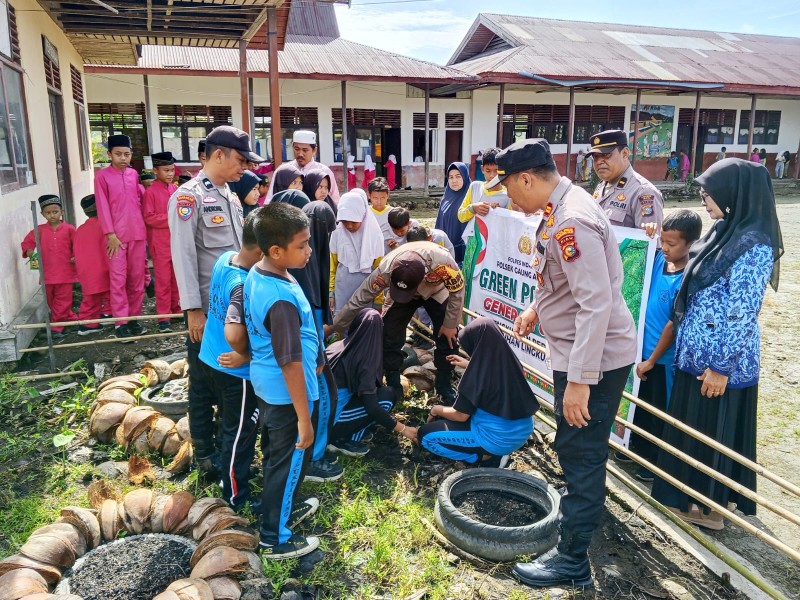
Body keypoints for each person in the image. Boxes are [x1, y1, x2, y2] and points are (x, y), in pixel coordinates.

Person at [502, 139, 637, 588]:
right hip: (581, 350)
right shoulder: (563, 207)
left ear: (526, 178)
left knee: (580, 452)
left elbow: (595, 304)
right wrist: (537, 308)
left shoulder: (572, 220)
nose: (509, 199)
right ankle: (581, 502)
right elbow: (564, 281)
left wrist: (580, 382)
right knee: (576, 449)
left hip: (592, 359)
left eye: (508, 188)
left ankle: (573, 560)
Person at [651, 158, 783, 530]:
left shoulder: (754, 245)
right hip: (696, 356)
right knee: (694, 429)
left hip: (719, 366)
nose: (704, 201)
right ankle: (689, 500)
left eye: (708, 194)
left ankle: (709, 511)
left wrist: (722, 367)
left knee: (711, 433)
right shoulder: (723, 231)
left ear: (732, 194)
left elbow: (742, 313)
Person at [169, 125, 260, 478]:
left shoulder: (231, 196)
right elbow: (183, 257)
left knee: (229, 382)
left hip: (232, 306)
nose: (243, 168)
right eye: (240, 160)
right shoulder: (188, 197)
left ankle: (228, 452)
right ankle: (204, 453)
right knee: (202, 382)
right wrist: (193, 310)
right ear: (218, 154)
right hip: (206, 310)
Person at [244, 202, 324, 559]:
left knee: (279, 457)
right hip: (289, 395)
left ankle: (281, 508)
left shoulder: (265, 273)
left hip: (272, 389)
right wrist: (304, 419)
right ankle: (273, 535)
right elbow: (289, 363)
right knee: (289, 458)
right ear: (276, 250)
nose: (309, 251)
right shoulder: (280, 300)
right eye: (303, 245)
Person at [326, 240, 465, 402]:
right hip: (402, 295)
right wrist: (334, 326)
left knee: (448, 337)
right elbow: (359, 298)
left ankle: (444, 384)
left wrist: (450, 325)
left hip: (437, 291)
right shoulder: (386, 269)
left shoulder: (444, 264)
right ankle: (393, 382)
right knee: (389, 332)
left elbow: (458, 291)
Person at [271, 189, 342, 482]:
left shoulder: (288, 262)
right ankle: (313, 457)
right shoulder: (292, 270)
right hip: (301, 356)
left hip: (292, 359)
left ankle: (312, 452)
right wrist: (317, 350)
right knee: (321, 394)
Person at [630, 210, 702, 482]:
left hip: (661, 359)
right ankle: (635, 446)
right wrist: (648, 231)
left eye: (672, 244)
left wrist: (652, 359)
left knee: (659, 408)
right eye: (663, 241)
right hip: (641, 351)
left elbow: (672, 325)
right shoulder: (659, 259)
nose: (665, 248)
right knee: (640, 404)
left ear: (691, 244)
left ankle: (652, 460)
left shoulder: (686, 277)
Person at [199, 211, 263, 513]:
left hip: (212, 358)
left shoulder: (225, 258)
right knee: (240, 433)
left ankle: (230, 472)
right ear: (264, 251)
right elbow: (236, 330)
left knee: (228, 424)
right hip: (236, 370)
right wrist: (247, 354)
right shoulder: (243, 284)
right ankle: (236, 496)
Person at [418, 317, 538, 467]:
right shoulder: (512, 364)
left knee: (425, 435)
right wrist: (470, 364)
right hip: (521, 433)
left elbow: (460, 416)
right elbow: (492, 375)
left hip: (497, 439)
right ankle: (494, 452)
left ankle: (485, 458)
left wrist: (435, 410)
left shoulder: (475, 378)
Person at [327, 308, 415, 456]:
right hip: (329, 424)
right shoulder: (366, 361)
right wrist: (404, 429)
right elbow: (372, 407)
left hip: (315, 416)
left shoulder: (337, 346)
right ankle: (344, 440)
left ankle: (342, 431)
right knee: (387, 397)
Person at [94, 134, 146, 339]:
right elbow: (102, 206)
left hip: (138, 234)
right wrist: (110, 234)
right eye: (118, 154)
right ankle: (120, 323)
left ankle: (134, 319)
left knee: (137, 278)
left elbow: (141, 200)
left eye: (126, 154)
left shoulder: (134, 175)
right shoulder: (102, 176)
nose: (122, 158)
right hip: (115, 238)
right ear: (109, 154)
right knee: (118, 279)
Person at [21, 195, 78, 338]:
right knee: (51, 300)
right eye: (48, 213)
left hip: (66, 272)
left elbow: (78, 245)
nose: (52, 215)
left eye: (55, 212)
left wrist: (75, 255)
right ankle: (70, 319)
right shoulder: (39, 230)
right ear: (42, 214)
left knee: (63, 300)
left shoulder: (69, 229)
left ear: (61, 212)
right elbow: (28, 241)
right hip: (48, 273)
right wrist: (29, 250)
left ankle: (56, 328)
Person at [588, 130, 664, 235]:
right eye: (595, 157)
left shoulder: (643, 192)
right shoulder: (602, 186)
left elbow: (648, 246)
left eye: (606, 155)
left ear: (625, 153)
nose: (599, 161)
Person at [458, 147, 511, 285]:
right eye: (488, 171)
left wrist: (500, 214)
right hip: (474, 242)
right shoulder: (475, 187)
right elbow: (461, 215)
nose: (492, 175)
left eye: (496, 171)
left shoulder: (508, 195)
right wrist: (473, 208)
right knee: (469, 278)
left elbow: (511, 224)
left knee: (487, 281)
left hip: (495, 246)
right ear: (482, 169)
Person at [142, 151, 180, 332]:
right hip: (159, 243)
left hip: (175, 242)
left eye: (172, 170)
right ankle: (163, 317)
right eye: (166, 170)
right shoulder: (150, 192)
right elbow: (149, 218)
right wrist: (172, 218)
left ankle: (176, 310)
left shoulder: (175, 189)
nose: (170, 174)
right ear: (155, 171)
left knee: (176, 278)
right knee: (163, 280)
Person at [329, 191, 385, 314]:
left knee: (363, 321)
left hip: (366, 289)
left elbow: (380, 271)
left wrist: (378, 299)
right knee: (341, 323)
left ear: (363, 216)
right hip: (342, 289)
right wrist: (330, 292)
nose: (349, 226)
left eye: (354, 222)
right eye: (344, 221)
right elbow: (332, 266)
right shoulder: (337, 233)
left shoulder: (374, 236)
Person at [266, 130, 340, 204]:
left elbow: (335, 201)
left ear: (314, 150)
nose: (300, 154)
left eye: (305, 150)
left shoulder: (324, 171)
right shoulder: (283, 171)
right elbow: (270, 200)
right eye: (297, 149)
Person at [74, 195, 111, 335]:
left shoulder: (81, 229)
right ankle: (96, 320)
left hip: (86, 270)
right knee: (109, 294)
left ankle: (90, 322)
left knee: (92, 297)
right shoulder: (105, 226)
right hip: (103, 268)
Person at [435, 162, 471, 264]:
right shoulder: (446, 198)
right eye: (450, 177)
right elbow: (439, 223)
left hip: (463, 251)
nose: (454, 180)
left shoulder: (471, 197)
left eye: (458, 176)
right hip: (445, 248)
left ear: (465, 177)